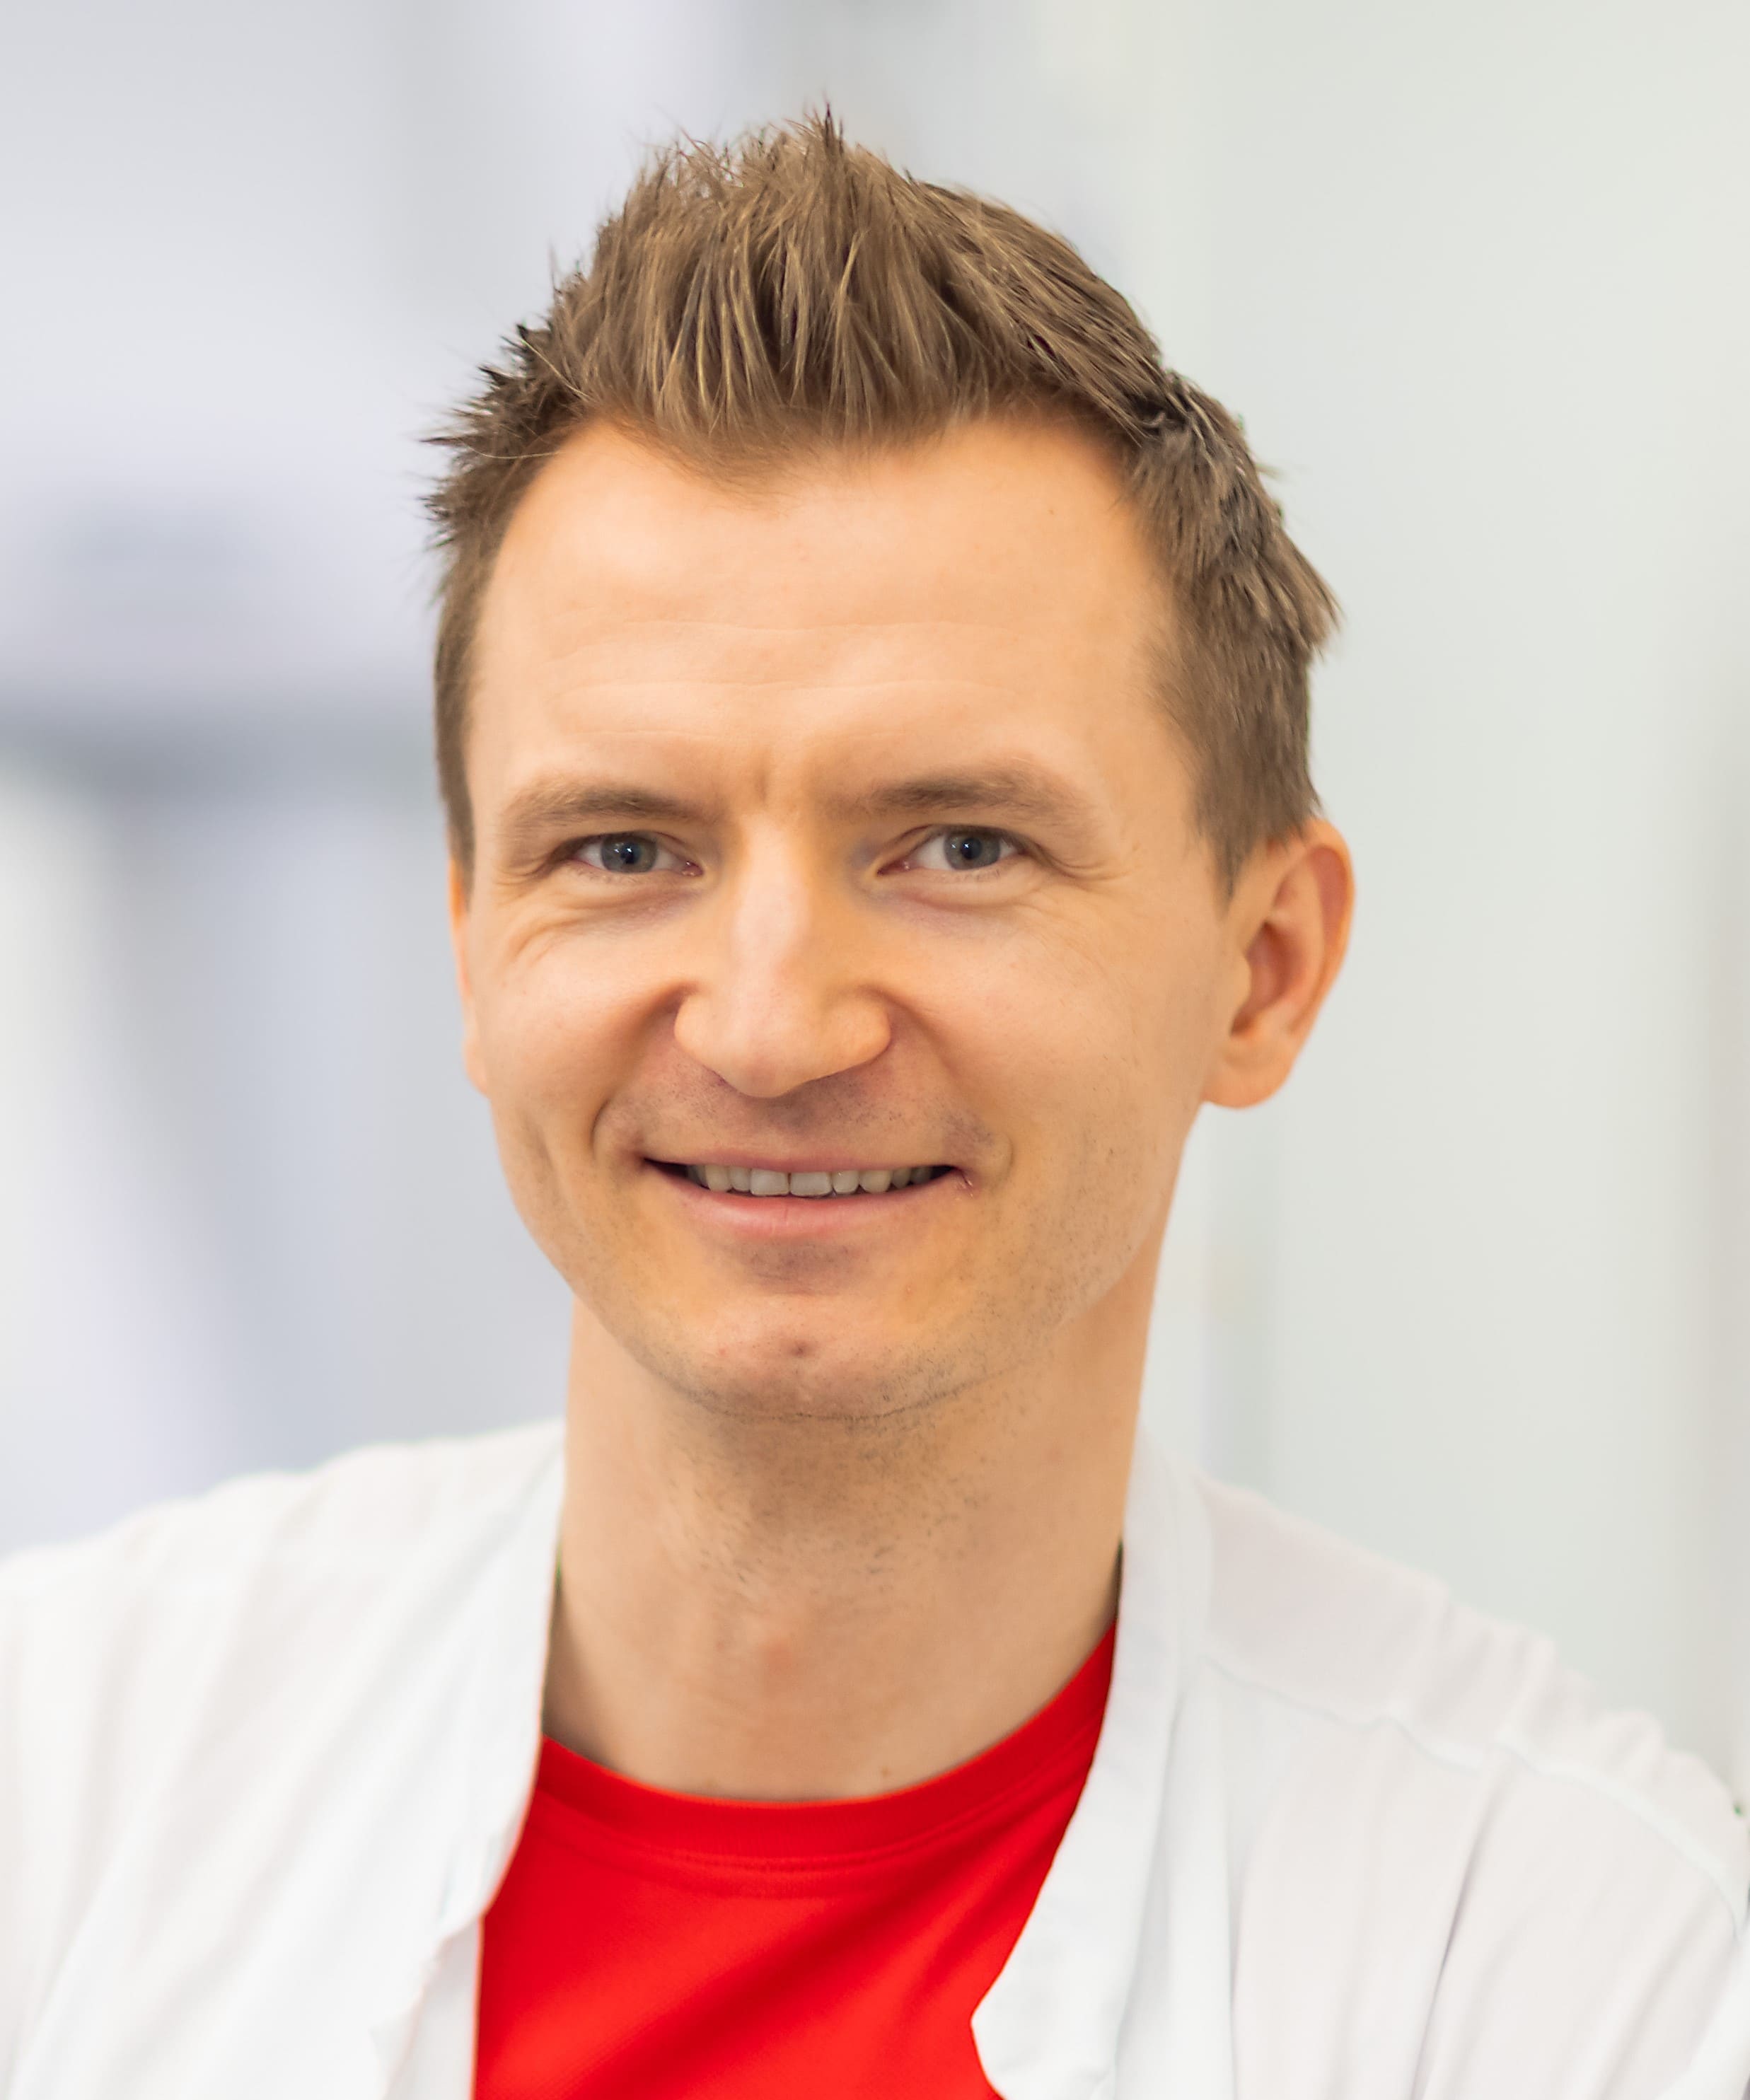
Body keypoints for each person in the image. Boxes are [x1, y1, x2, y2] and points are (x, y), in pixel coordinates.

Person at [1, 115, 1745, 2100]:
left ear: (1262, 967)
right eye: (624, 848)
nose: (768, 1026)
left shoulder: (1571, 1977)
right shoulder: (62, 1802)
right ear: (472, 946)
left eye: (960, 846)